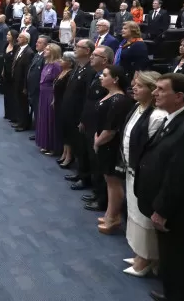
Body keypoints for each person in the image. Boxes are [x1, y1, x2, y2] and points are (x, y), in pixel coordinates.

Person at [136, 73, 184, 301]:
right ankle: (173, 294)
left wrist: (161, 211)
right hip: (174, 210)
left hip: (178, 213)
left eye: (161, 89)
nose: (154, 93)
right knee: (172, 261)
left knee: (178, 261)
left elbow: (180, 178)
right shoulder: (178, 116)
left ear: (179, 96)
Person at [121, 71, 167, 277]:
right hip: (131, 169)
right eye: (133, 85)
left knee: (143, 217)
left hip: (144, 174)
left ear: (151, 90)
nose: (134, 89)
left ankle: (147, 258)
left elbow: (152, 151)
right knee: (133, 213)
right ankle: (139, 252)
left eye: (139, 86)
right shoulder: (137, 107)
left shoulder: (157, 116)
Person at [72, 44, 113, 214]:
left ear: (105, 60)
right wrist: (83, 120)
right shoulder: (96, 74)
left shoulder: (108, 77)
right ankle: (96, 193)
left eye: (95, 55)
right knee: (91, 158)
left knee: (99, 163)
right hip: (89, 123)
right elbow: (89, 102)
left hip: (99, 126)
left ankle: (102, 199)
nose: (92, 58)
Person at [94, 65, 132, 234]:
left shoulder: (119, 99)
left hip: (110, 145)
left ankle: (114, 217)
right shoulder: (109, 95)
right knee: (108, 180)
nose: (101, 77)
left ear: (115, 79)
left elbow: (111, 129)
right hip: (103, 142)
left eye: (105, 75)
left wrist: (98, 141)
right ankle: (110, 213)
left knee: (113, 182)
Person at [62, 40, 95, 177]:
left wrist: (83, 118)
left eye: (78, 47)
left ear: (87, 51)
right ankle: (79, 172)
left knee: (81, 146)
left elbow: (88, 96)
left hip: (79, 114)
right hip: (70, 112)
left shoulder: (90, 70)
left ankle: (83, 176)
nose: (74, 49)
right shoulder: (78, 66)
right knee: (74, 143)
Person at [36, 42, 63, 156]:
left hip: (50, 95)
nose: (44, 51)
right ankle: (45, 143)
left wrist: (54, 98)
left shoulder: (57, 66)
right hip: (43, 95)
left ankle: (52, 147)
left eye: (47, 50)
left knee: (49, 120)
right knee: (43, 118)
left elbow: (58, 84)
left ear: (53, 52)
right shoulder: (47, 63)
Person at [23, 36, 49, 135]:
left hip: (38, 89)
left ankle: (40, 133)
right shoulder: (37, 55)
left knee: (39, 112)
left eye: (40, 43)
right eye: (37, 42)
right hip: (32, 88)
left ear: (46, 45)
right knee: (35, 110)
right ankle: (38, 131)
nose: (36, 44)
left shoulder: (44, 58)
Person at [53, 51, 75, 167]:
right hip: (58, 102)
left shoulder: (70, 74)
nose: (60, 60)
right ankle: (64, 152)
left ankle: (69, 155)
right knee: (62, 129)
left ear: (70, 63)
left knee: (67, 130)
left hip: (65, 103)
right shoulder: (62, 71)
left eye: (63, 59)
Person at [11, 32, 35, 130]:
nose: (17, 39)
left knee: (23, 103)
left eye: (20, 37)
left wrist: (25, 86)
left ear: (26, 39)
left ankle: (24, 124)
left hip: (22, 83)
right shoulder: (18, 48)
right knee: (18, 102)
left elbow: (27, 71)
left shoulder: (29, 52)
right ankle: (19, 120)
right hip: (16, 80)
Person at [116, 21, 150, 86]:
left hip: (130, 77)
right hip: (122, 74)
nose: (122, 30)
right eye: (122, 28)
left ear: (133, 30)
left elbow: (141, 64)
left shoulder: (139, 44)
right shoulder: (124, 42)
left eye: (125, 29)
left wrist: (135, 80)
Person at [1, 29, 19, 120]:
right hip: (6, 72)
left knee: (13, 94)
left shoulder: (16, 47)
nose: (7, 36)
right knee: (7, 93)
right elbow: (4, 59)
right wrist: (3, 70)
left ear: (13, 36)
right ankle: (7, 113)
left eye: (8, 35)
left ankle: (14, 115)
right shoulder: (6, 45)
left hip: (13, 73)